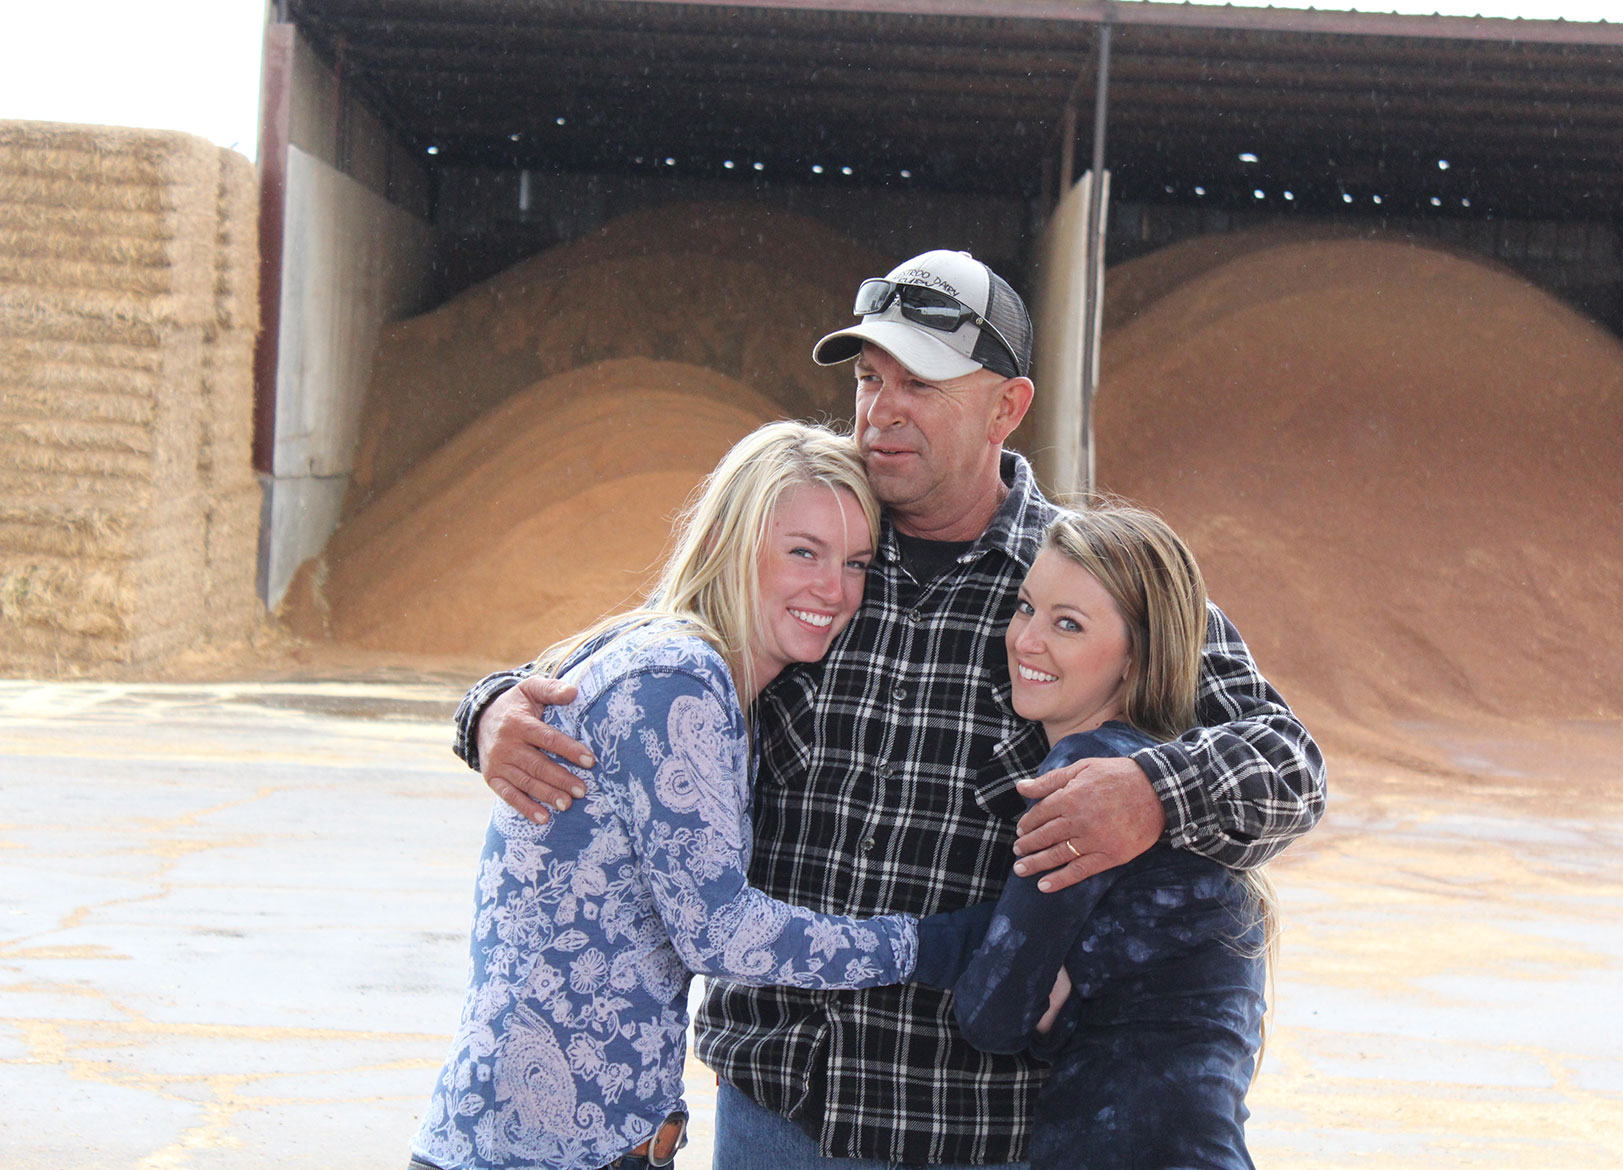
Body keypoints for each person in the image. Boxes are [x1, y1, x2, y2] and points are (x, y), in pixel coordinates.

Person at [452, 249, 1326, 1167]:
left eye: (922, 382)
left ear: (1008, 406)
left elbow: (1287, 764)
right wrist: (490, 713)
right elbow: (637, 655)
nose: (881, 409)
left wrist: (1150, 790)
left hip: (967, 1124)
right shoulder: (810, 542)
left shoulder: (1084, 584)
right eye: (871, 378)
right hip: (775, 1107)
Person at [410, 422, 990, 1170]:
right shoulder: (677, 681)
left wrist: (483, 705)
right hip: (540, 1149)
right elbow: (719, 931)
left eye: (855, 563)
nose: (834, 589)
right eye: (802, 552)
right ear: (725, 538)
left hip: (572, 1138)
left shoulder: (673, 660)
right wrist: (938, 945)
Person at [953, 504, 1274, 1170]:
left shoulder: (1087, 781)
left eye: (1067, 624)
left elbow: (994, 1014)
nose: (1026, 640)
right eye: (1024, 608)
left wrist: (1052, 1005)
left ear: (1135, 657)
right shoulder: (1179, 786)